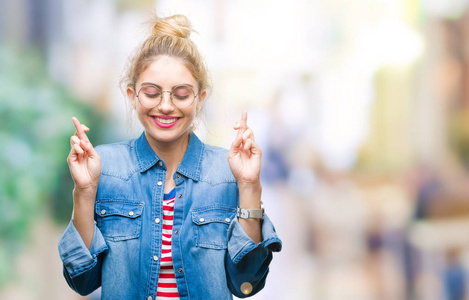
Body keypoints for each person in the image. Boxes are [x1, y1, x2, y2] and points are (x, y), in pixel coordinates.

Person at [58, 14, 282, 300]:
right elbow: (83, 280)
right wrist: (84, 192)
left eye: (181, 94)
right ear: (132, 95)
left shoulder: (228, 171)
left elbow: (246, 281)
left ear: (200, 98)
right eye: (151, 93)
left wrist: (249, 186)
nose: (165, 106)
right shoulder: (103, 166)